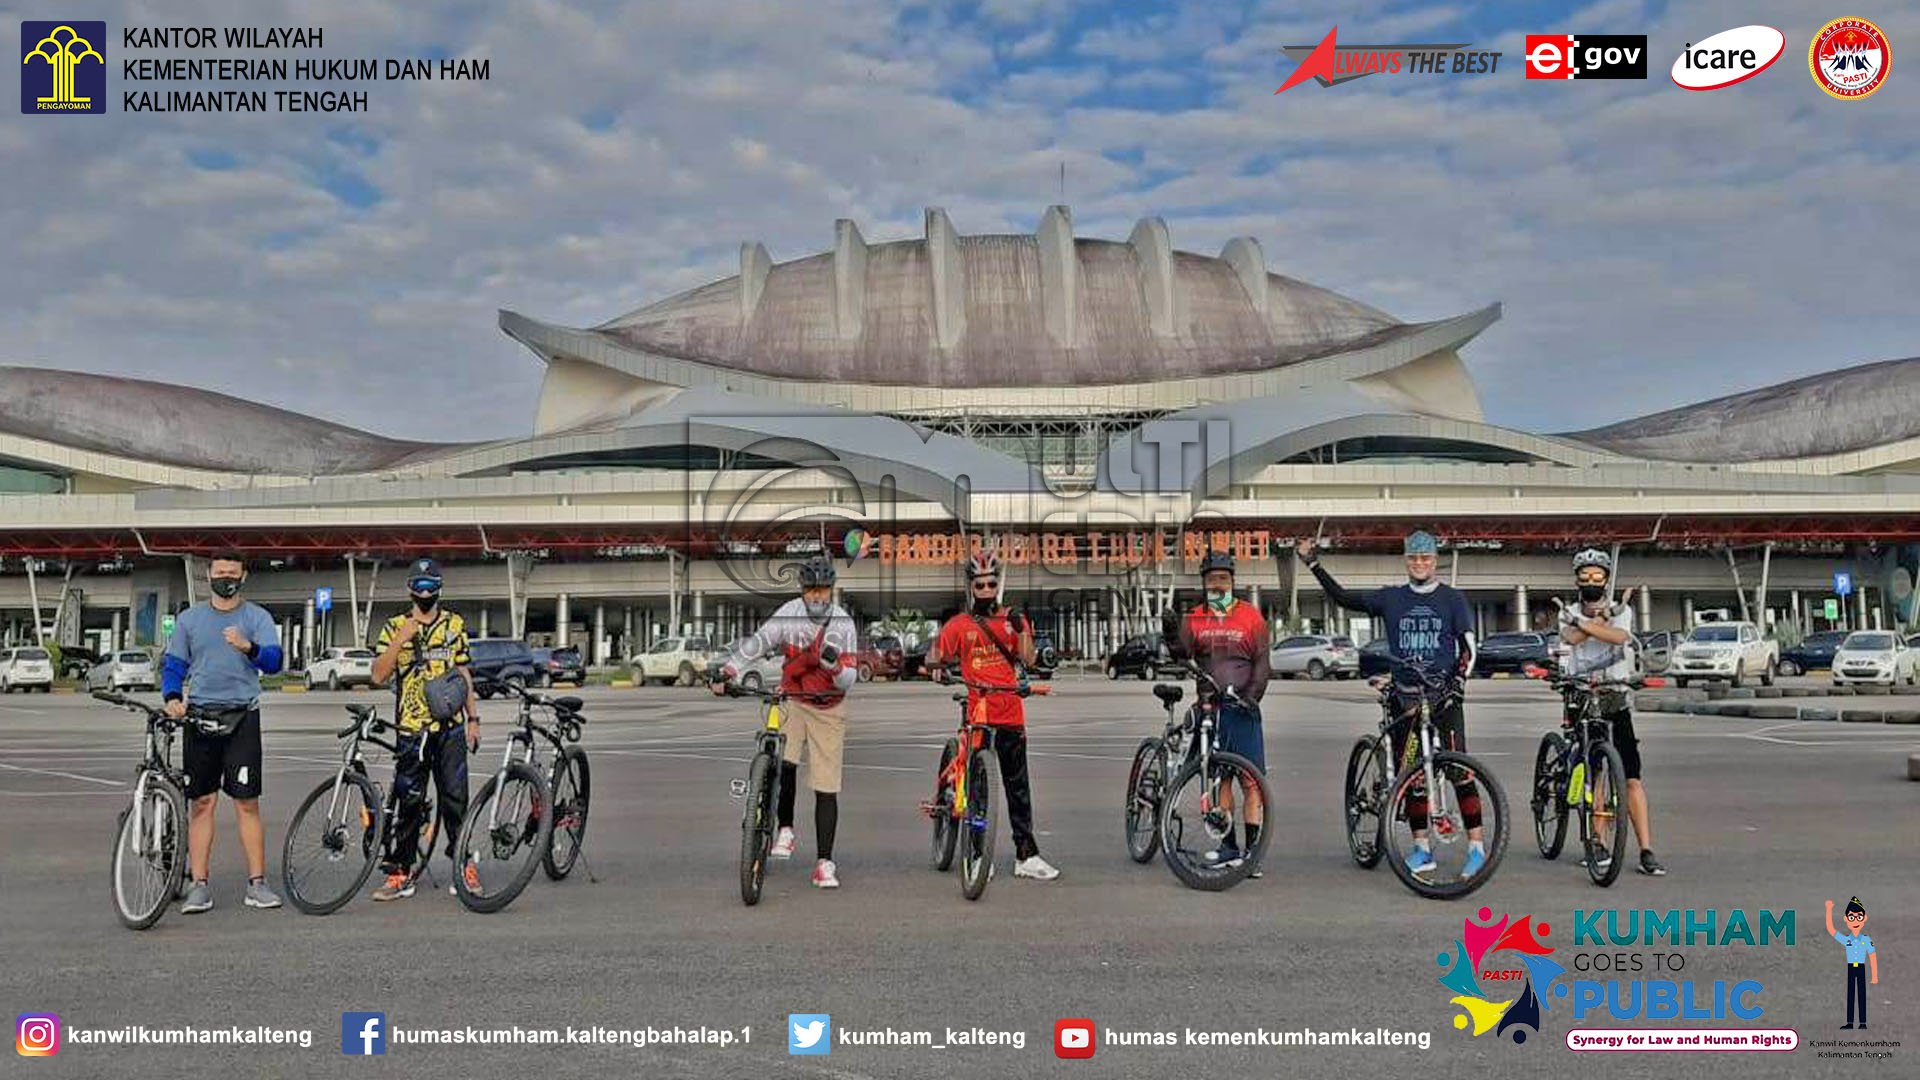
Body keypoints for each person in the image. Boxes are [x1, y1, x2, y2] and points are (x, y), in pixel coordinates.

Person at [1297, 531, 1488, 878]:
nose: (1419, 564)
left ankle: (1476, 848)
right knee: (1412, 776)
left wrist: (1459, 683)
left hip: (1444, 699)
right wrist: (1313, 564)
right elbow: (1342, 598)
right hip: (1406, 700)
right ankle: (1422, 849)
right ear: (1406, 561)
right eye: (1413, 558)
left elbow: (1469, 647)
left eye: (1426, 558)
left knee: (1462, 773)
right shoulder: (1391, 598)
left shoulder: (1452, 599)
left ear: (1435, 560)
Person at [711, 555, 858, 889]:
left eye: (823, 590)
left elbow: (849, 680)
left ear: (831, 591)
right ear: (803, 591)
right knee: (784, 761)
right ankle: (786, 830)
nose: (818, 596)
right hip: (792, 697)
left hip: (828, 707)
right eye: (811, 590)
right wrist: (729, 670)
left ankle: (824, 863)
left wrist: (835, 669)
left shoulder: (843, 624)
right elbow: (759, 642)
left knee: (826, 786)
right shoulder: (789, 614)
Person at [925, 549, 1061, 881]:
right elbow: (935, 654)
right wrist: (936, 668)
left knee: (1018, 789)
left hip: (1011, 711)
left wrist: (1022, 631)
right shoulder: (960, 624)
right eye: (979, 585)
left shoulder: (1014, 618)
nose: (985, 590)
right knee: (977, 792)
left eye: (990, 584)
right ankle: (975, 855)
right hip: (979, 713)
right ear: (970, 587)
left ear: (997, 585)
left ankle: (1026, 856)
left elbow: (1028, 661)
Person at [160, 552, 285, 914]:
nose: (225, 578)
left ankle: (257, 884)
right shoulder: (190, 620)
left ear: (243, 577)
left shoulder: (256, 618)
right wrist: (172, 698)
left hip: (242, 718)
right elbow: (174, 666)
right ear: (209, 576)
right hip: (200, 717)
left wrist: (250, 648)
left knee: (246, 802)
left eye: (232, 573)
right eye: (219, 572)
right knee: (202, 803)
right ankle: (199, 885)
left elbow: (275, 663)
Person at [369, 558, 481, 901]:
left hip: (451, 729)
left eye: (431, 586)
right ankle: (401, 872)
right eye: (420, 586)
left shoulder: (454, 625)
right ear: (409, 589)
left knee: (456, 800)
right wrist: (401, 639)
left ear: (440, 589)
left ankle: (464, 866)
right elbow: (378, 675)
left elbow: (463, 674)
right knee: (409, 802)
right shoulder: (393, 626)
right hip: (412, 729)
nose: (425, 592)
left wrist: (473, 719)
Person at [1557, 548, 1666, 877]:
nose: (1591, 581)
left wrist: (1593, 622)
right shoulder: (1569, 611)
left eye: (1597, 575)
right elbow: (1570, 637)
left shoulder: (1623, 611)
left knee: (1631, 776)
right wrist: (1598, 618)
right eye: (1585, 575)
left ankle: (1646, 849)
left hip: (1614, 695)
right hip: (1580, 695)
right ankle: (1598, 841)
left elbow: (1619, 636)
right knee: (1596, 775)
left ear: (1605, 578)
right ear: (1577, 579)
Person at [1170, 549, 1272, 876]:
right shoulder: (1196, 617)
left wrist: (1252, 697)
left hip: (1243, 708)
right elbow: (1181, 655)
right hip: (1210, 709)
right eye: (1212, 579)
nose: (1218, 585)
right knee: (1220, 781)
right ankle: (1228, 849)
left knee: (1251, 781)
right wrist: (1171, 634)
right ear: (1204, 583)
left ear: (1232, 583)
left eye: (1223, 579)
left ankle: (1252, 855)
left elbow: (1262, 663)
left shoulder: (1251, 617)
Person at [1826, 897, 1878, 1029]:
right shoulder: (1847, 940)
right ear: (1846, 919)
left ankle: (1862, 1022)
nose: (1855, 921)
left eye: (1859, 917)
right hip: (1851, 968)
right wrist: (1828, 910)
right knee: (1851, 995)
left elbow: (1872, 956)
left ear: (1864, 919)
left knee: (1861, 995)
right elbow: (1832, 930)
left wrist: (1874, 975)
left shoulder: (1866, 939)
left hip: (1860, 968)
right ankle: (1850, 1022)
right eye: (1851, 917)